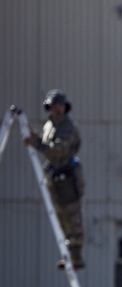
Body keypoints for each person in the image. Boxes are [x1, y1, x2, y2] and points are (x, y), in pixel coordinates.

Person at [23, 89, 86, 269]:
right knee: (59, 215)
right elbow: (46, 141)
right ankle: (68, 255)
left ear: (65, 107)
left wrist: (35, 143)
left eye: (60, 106)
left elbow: (57, 149)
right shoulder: (51, 124)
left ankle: (76, 257)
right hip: (55, 175)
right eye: (54, 106)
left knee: (71, 214)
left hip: (67, 175)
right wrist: (34, 136)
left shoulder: (68, 126)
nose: (57, 109)